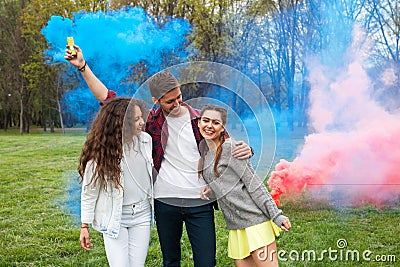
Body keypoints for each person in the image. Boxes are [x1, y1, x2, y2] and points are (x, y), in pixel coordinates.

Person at [65, 45, 253, 267]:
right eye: (169, 101)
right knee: (170, 261)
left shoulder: (199, 120)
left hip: (199, 202)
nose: (177, 104)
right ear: (156, 100)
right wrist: (83, 67)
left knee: (206, 262)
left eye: (179, 97)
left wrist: (247, 150)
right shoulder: (149, 122)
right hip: (165, 203)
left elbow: (226, 146)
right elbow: (109, 100)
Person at [198, 104, 291, 267]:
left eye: (215, 122)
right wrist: (211, 191)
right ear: (199, 123)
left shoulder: (231, 148)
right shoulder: (205, 154)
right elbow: (227, 183)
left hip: (255, 222)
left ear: (222, 127)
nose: (209, 126)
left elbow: (254, 184)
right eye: (205, 120)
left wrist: (276, 215)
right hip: (236, 228)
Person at [78, 97, 154, 267]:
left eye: (141, 117)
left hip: (142, 215)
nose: (142, 122)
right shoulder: (101, 153)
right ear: (121, 123)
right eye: (136, 119)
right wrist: (85, 225)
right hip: (116, 217)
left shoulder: (145, 141)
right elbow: (89, 190)